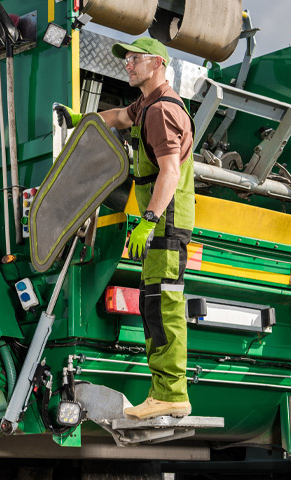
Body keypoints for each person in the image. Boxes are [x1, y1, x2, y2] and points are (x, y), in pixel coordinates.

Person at [57, 37, 195, 420]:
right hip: (164, 222)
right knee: (155, 306)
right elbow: (118, 117)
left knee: (163, 308)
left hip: (166, 222)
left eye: (135, 59)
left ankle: (171, 394)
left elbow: (170, 171)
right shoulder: (147, 105)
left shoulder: (162, 112)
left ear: (158, 63)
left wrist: (148, 221)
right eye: (127, 59)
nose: (128, 65)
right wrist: (81, 119)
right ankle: (166, 391)